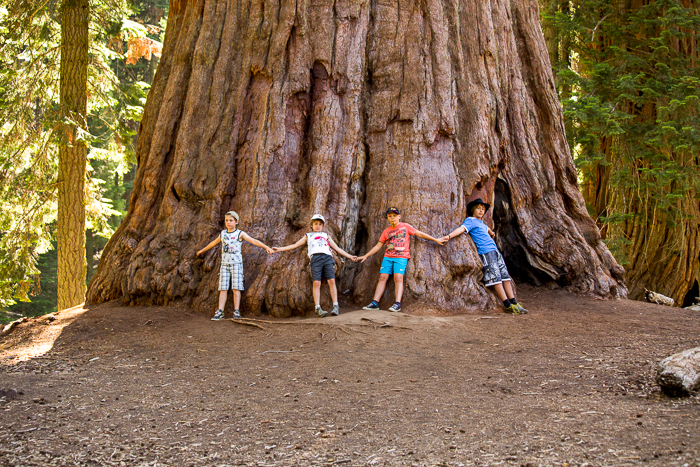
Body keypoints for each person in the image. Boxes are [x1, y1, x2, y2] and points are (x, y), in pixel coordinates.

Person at [441, 198, 528, 314]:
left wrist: (492, 233)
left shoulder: (481, 223)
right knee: (496, 278)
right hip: (486, 252)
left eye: (483, 209)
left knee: (505, 277)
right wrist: (449, 236)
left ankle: (514, 302)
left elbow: (488, 230)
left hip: (495, 251)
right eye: (478, 208)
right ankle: (507, 305)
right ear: (473, 210)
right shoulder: (470, 221)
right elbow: (461, 229)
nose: (481, 211)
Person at [359, 207, 446, 312]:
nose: (392, 218)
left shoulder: (406, 227)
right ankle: (375, 303)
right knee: (382, 277)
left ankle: (397, 303)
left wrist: (435, 239)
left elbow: (419, 234)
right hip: (388, 257)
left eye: (394, 216)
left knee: (398, 278)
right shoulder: (386, 231)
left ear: (399, 216)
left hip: (401, 257)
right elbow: (378, 246)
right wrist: (366, 255)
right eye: (390, 216)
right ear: (387, 218)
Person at [273, 214, 357, 317]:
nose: (318, 226)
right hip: (315, 259)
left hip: (327, 258)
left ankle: (335, 306)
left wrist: (350, 256)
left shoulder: (326, 236)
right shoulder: (308, 236)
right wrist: (279, 249)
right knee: (316, 283)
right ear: (312, 225)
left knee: (331, 281)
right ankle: (317, 308)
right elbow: (295, 245)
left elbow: (337, 249)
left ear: (323, 226)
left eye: (320, 224)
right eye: (315, 224)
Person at [196, 211, 273, 320]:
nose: (228, 222)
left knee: (236, 288)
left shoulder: (239, 234)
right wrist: (202, 250)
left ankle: (236, 310)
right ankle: (220, 311)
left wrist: (266, 247)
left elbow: (253, 241)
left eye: (231, 220)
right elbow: (213, 243)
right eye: (227, 220)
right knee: (223, 288)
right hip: (224, 265)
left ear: (236, 222)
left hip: (236, 264)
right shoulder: (223, 234)